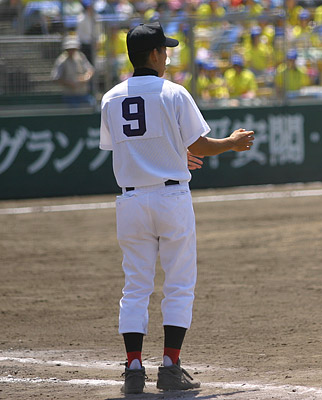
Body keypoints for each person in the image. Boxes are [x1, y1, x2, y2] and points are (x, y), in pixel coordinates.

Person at [99, 21, 255, 394]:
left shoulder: (110, 97)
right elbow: (199, 146)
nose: (167, 55)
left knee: (135, 286)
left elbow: (125, 146)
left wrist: (170, 153)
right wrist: (231, 143)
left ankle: (134, 368)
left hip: (131, 199)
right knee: (179, 284)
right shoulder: (173, 92)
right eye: (164, 50)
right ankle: (170, 365)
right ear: (154, 54)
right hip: (171, 198)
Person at [51, 35, 95, 106]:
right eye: (69, 49)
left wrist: (85, 78)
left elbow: (90, 70)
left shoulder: (80, 56)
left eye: (73, 48)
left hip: (83, 93)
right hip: (69, 96)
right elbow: (55, 78)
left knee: (92, 104)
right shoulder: (61, 60)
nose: (71, 51)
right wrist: (69, 83)